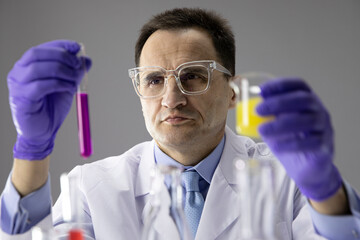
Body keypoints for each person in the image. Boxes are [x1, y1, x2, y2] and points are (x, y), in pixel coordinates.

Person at [1, 7, 360, 240]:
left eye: (192, 76)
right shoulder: (93, 188)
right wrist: (32, 151)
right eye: (154, 80)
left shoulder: (287, 178)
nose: (172, 99)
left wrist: (326, 192)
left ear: (232, 91)